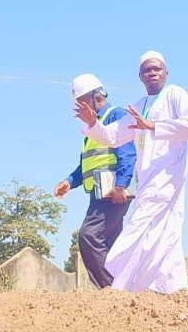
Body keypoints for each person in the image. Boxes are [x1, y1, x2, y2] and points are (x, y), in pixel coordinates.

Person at [74, 50, 188, 293]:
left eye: (156, 69)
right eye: (146, 70)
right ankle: (170, 288)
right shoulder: (140, 106)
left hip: (168, 175)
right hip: (146, 179)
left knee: (138, 229)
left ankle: (122, 286)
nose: (152, 73)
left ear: (166, 72)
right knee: (164, 232)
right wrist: (92, 123)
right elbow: (112, 137)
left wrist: (154, 126)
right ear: (140, 76)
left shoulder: (176, 94)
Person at [54, 74, 136, 288]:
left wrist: (121, 185)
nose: (80, 110)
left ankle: (111, 288)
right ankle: (123, 287)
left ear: (97, 98)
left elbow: (127, 152)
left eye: (83, 103)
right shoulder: (91, 128)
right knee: (109, 243)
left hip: (114, 193)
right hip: (98, 192)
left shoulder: (115, 115)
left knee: (88, 236)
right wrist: (69, 182)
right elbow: (87, 164)